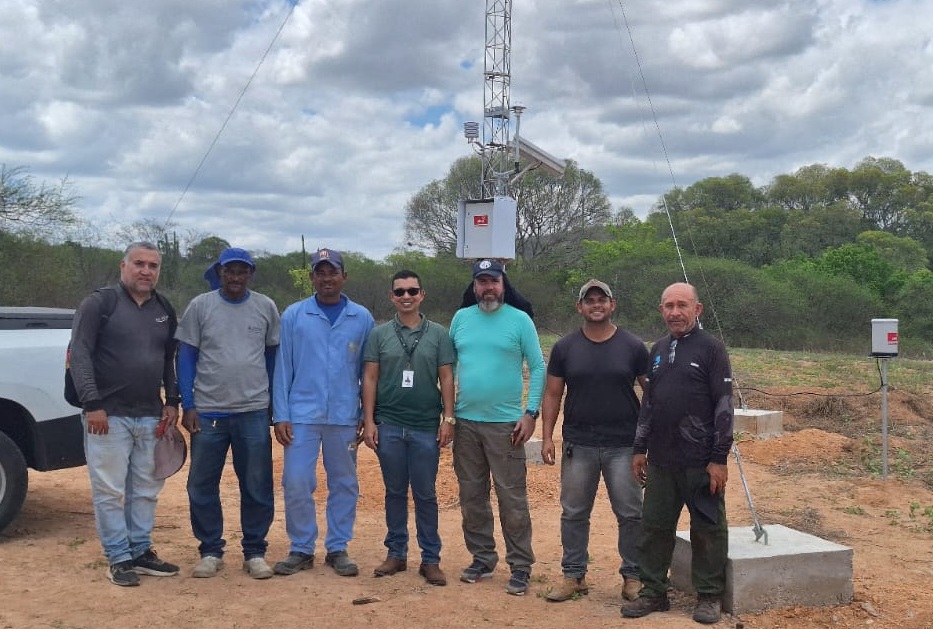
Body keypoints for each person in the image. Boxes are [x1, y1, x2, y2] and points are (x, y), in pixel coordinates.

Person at [69, 241, 181, 587]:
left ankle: (140, 550)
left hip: (149, 414)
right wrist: (92, 404)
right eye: (139, 264)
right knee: (108, 489)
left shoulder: (164, 308)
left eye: (153, 266)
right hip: (107, 415)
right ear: (123, 266)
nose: (146, 271)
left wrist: (172, 400)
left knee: (146, 489)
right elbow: (80, 355)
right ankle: (118, 557)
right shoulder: (99, 303)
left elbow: (167, 360)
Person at [621, 282, 734, 624]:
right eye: (668, 306)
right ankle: (654, 592)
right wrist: (640, 448)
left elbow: (725, 405)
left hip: (701, 461)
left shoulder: (712, 349)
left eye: (682, 305)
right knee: (654, 527)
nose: (675, 312)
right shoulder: (657, 350)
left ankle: (709, 595)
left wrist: (719, 458)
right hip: (662, 460)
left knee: (707, 529)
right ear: (661, 311)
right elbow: (650, 404)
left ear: (697, 310)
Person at [175, 247, 281, 580]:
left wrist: (273, 405)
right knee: (201, 485)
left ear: (251, 273)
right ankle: (210, 550)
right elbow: (186, 357)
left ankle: (254, 551)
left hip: (252, 411)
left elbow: (272, 359)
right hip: (208, 412)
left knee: (257, 484)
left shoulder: (265, 307)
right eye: (229, 271)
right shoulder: (200, 306)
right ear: (219, 272)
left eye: (242, 271)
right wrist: (188, 404)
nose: (235, 277)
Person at [541, 279, 649, 603]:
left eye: (602, 300)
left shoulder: (633, 346)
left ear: (612, 305)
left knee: (630, 513)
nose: (596, 305)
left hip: (624, 444)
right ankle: (574, 576)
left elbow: (653, 391)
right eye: (590, 301)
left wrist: (649, 439)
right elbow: (552, 393)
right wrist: (547, 436)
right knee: (573, 512)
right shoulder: (564, 348)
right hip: (579, 444)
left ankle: (633, 576)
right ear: (580, 307)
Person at [272, 248, 375, 578]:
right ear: (312, 277)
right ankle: (301, 547)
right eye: (320, 272)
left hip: (344, 414)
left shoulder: (361, 318)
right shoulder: (294, 316)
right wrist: (281, 414)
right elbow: (282, 367)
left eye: (333, 272)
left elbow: (369, 372)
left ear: (344, 276)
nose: (327, 278)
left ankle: (338, 547)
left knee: (344, 482)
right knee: (296, 480)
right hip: (302, 413)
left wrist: (366, 413)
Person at [448, 259, 546, 596]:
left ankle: (520, 565)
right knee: (472, 497)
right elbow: (448, 368)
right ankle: (482, 558)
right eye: (482, 282)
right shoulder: (461, 319)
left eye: (494, 281)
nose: (488, 288)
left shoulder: (520, 321)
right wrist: (446, 414)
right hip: (465, 422)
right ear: (474, 286)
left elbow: (538, 367)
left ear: (503, 284)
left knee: (512, 498)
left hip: (506, 425)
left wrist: (530, 412)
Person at [360, 270, 456, 586]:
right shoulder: (379, 334)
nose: (406, 297)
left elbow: (446, 378)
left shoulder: (439, 334)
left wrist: (448, 419)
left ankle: (430, 559)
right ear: (391, 297)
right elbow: (370, 378)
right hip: (389, 425)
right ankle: (396, 553)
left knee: (426, 494)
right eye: (399, 292)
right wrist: (370, 420)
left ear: (422, 295)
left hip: (426, 426)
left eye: (412, 291)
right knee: (394, 492)